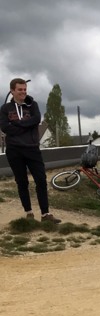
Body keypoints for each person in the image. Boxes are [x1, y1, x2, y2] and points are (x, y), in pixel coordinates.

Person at [0, 78, 61, 222]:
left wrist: (17, 124)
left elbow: (36, 119)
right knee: (22, 182)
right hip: (14, 150)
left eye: (25, 89)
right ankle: (29, 213)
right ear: (12, 91)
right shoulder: (5, 108)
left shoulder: (33, 105)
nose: (23, 92)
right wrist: (26, 126)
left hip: (32, 148)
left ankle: (45, 214)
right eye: (20, 89)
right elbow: (5, 127)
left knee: (41, 180)